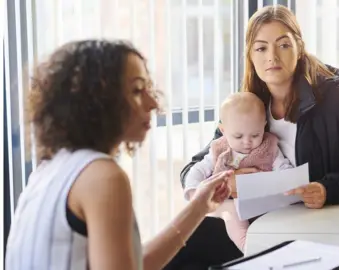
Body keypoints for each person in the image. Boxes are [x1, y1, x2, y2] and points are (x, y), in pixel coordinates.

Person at [172, 4, 339, 268]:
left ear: (299, 47)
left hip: (312, 232)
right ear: (250, 55)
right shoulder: (247, 105)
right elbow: (197, 165)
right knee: (181, 248)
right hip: (255, 226)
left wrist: (327, 189)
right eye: (261, 48)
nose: (272, 56)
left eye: (283, 45)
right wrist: (226, 181)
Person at [5, 40, 235, 270]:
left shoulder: (50, 170)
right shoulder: (102, 177)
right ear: (97, 102)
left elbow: (131, 264)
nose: (153, 103)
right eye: (136, 91)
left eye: (149, 89)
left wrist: (200, 206)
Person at [183, 91, 293, 251]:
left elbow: (283, 168)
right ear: (223, 130)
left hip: (261, 203)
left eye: (255, 134)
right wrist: (194, 192)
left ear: (264, 125)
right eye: (238, 136)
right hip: (229, 202)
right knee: (232, 215)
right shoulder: (219, 149)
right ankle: (246, 247)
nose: (247, 142)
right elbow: (197, 170)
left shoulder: (269, 147)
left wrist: (288, 181)